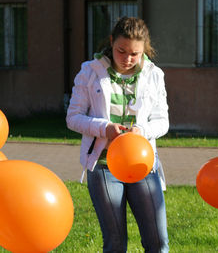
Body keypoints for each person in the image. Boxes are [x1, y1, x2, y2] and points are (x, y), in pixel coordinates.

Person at [66, 16, 169, 252]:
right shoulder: (89, 72)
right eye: (121, 51)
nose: (128, 59)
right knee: (115, 242)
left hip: (143, 165)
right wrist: (104, 128)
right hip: (104, 165)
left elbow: (162, 122)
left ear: (144, 50)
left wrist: (141, 131)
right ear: (111, 42)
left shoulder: (154, 75)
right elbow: (73, 117)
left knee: (158, 241)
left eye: (135, 53)